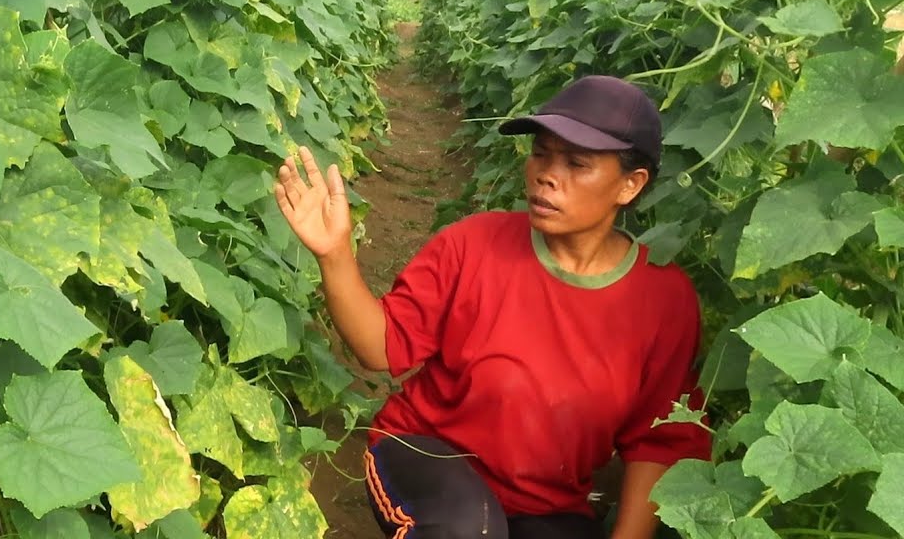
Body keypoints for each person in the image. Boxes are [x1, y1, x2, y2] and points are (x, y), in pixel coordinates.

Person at [273, 76, 710, 539]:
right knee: (467, 530)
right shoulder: (474, 246)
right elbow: (380, 348)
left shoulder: (663, 300)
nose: (547, 174)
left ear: (630, 185)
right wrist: (335, 254)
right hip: (426, 457)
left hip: (544, 502)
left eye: (576, 163)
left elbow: (659, 441)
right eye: (541, 153)